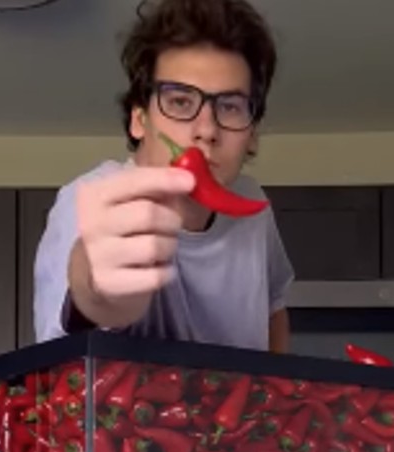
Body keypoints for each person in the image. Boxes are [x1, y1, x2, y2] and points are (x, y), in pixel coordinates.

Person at [33, 0, 294, 353]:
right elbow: (82, 319)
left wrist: (277, 398)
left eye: (230, 107)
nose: (207, 130)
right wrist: (96, 286)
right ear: (139, 119)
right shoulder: (91, 199)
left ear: (253, 134)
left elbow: (274, 306)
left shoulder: (255, 209)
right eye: (181, 102)